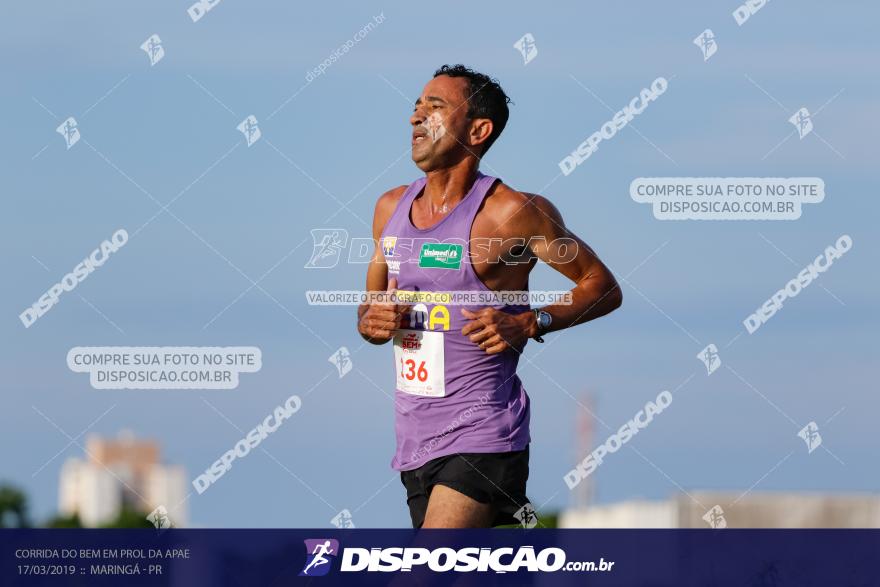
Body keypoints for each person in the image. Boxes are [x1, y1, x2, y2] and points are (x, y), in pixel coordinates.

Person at [357, 64, 622, 528]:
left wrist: (531, 321)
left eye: (435, 107)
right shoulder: (388, 208)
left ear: (478, 130)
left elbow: (601, 285)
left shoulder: (513, 213)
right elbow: (370, 310)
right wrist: (371, 322)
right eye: (416, 107)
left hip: (483, 436)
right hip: (414, 440)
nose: (416, 117)